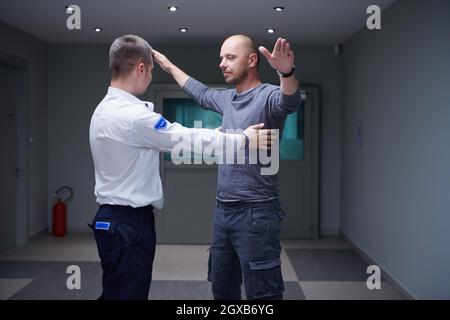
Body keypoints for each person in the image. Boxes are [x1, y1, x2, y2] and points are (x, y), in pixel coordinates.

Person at [89, 34, 272, 300]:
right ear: (141, 68)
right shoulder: (133, 116)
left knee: (117, 291)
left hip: (112, 219)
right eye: (150, 71)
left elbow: (162, 141)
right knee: (127, 294)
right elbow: (182, 137)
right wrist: (243, 139)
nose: (150, 77)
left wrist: (216, 134)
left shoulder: (104, 110)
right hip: (129, 223)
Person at [153, 35, 303, 300]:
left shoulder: (267, 96)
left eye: (230, 57)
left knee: (263, 293)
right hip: (223, 211)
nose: (222, 63)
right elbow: (199, 92)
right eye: (221, 58)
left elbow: (290, 101)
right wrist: (167, 64)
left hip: (257, 211)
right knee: (222, 287)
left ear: (252, 60)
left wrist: (286, 72)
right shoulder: (227, 100)